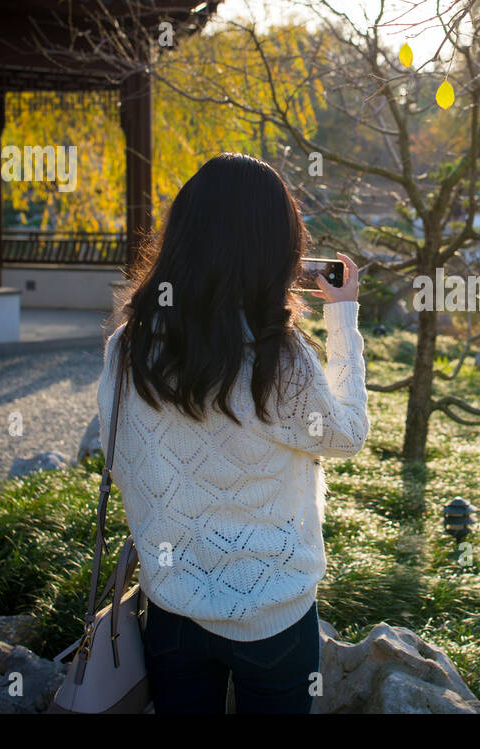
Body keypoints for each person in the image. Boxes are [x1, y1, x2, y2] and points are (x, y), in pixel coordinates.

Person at [95, 153, 368, 714]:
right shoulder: (277, 359)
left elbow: (116, 455)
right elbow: (348, 435)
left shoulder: (128, 346)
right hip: (274, 616)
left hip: (171, 607)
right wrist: (343, 318)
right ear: (276, 249)